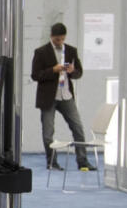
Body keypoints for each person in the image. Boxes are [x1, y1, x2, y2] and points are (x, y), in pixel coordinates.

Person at [31, 23, 89, 171]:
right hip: (49, 97)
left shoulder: (71, 51)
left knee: (78, 127)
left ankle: (82, 161)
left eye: (62, 39)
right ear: (51, 37)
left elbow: (79, 73)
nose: (60, 42)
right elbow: (35, 75)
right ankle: (52, 162)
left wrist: (72, 71)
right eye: (57, 39)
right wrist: (53, 70)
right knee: (48, 132)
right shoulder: (41, 52)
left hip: (66, 95)